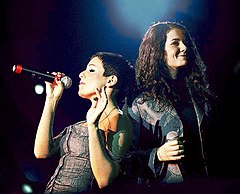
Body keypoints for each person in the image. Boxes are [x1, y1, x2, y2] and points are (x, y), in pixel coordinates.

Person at [122, 21, 217, 191]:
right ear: (158, 51)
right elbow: (123, 159)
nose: (184, 47)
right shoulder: (138, 102)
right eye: (175, 43)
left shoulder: (201, 93)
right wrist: (157, 155)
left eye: (186, 42)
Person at [34, 52, 134, 194]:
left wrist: (93, 126)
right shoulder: (80, 124)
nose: (81, 74)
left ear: (110, 80)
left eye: (91, 70)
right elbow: (42, 152)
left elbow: (104, 179)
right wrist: (51, 100)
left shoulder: (119, 120)